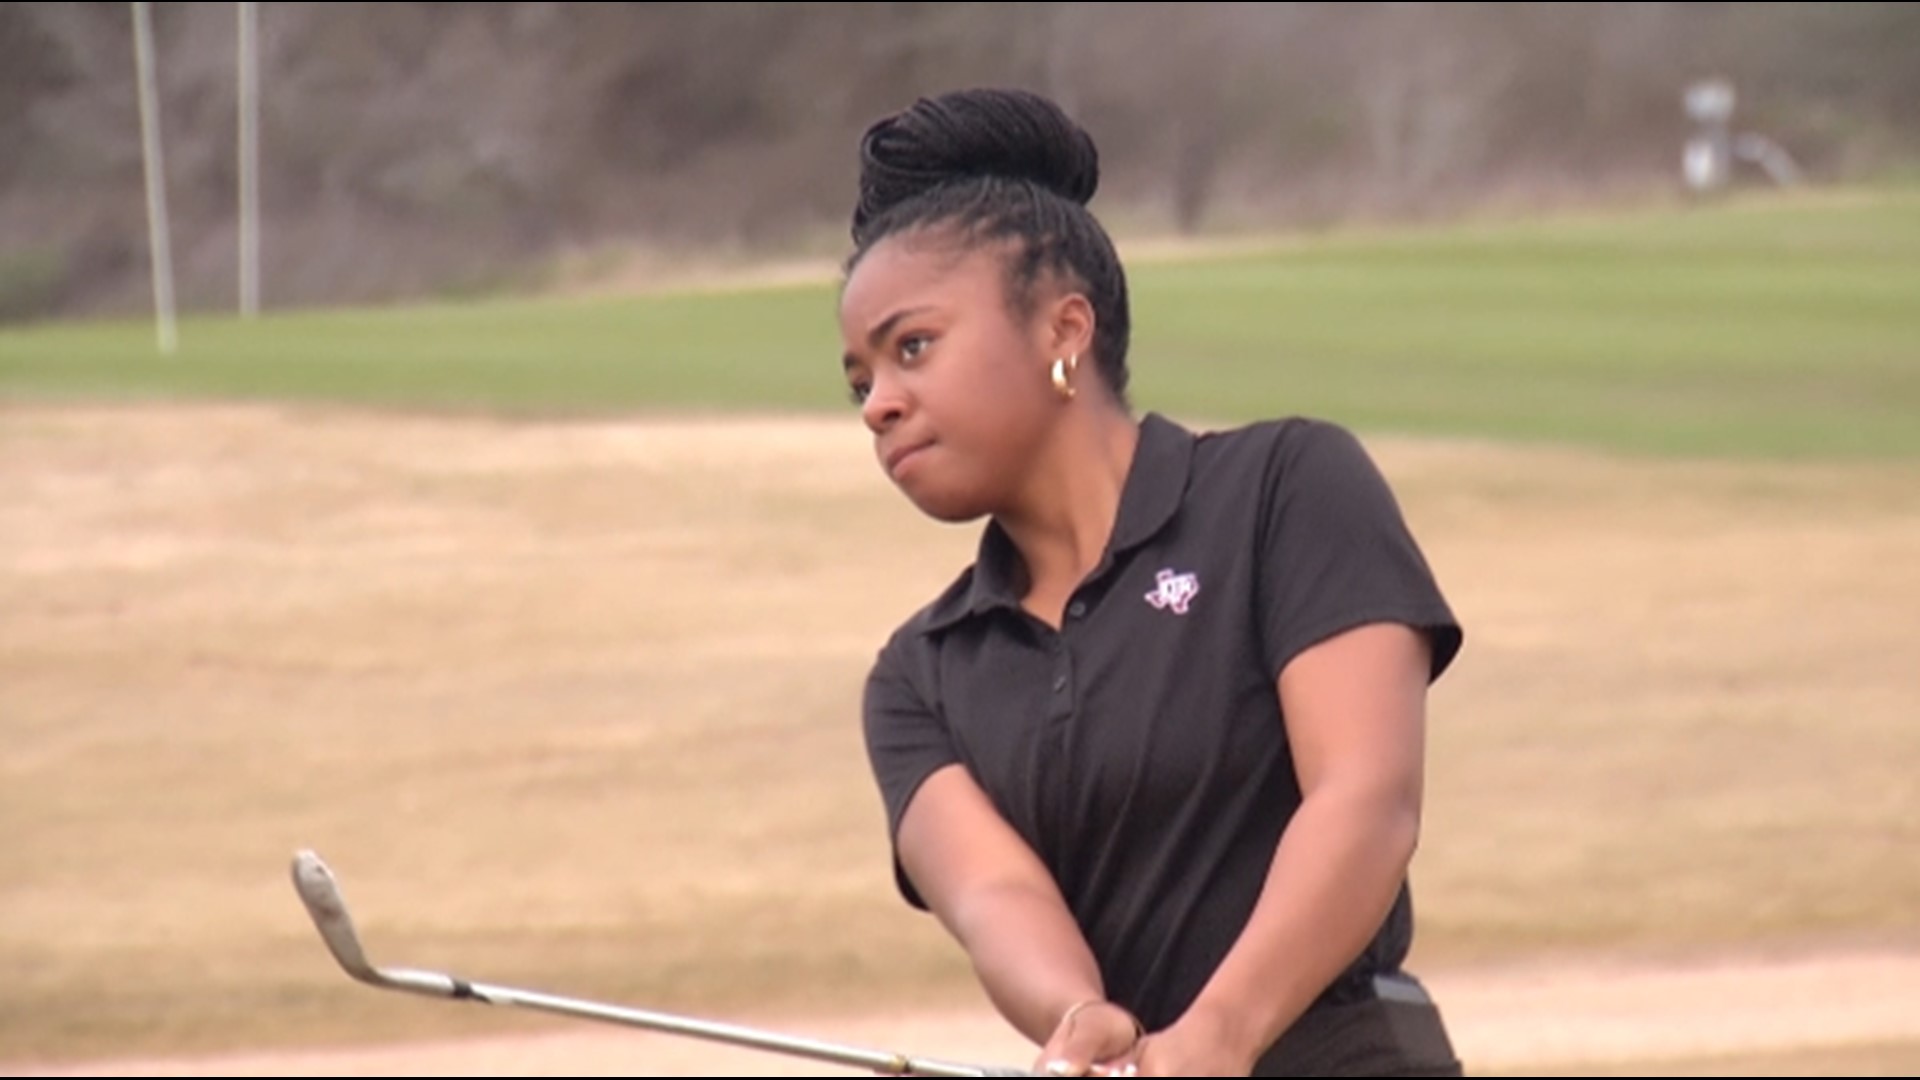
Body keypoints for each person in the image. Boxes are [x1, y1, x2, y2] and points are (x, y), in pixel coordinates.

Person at [836, 87, 1466, 1078]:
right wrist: (1081, 1015)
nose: (879, 405)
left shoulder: (1284, 489)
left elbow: (1366, 801)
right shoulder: (920, 676)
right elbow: (996, 899)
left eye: (912, 347)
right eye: (859, 380)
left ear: (1063, 329)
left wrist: (1223, 1033)